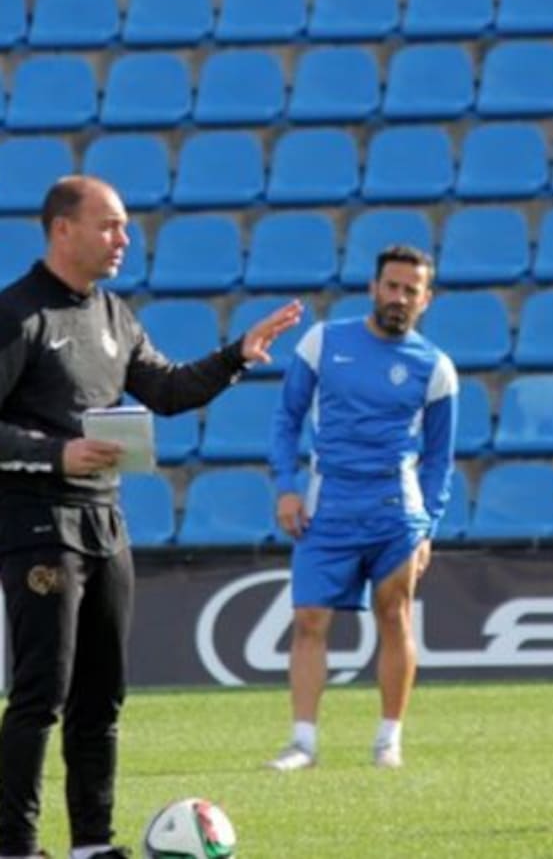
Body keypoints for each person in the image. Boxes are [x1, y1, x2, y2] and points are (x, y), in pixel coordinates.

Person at [0, 175, 302, 859]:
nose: (123, 239)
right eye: (109, 225)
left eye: (125, 226)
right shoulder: (17, 315)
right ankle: (15, 845)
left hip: (105, 522)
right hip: (38, 525)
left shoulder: (114, 315)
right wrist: (56, 453)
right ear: (62, 229)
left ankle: (91, 844)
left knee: (102, 696)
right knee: (41, 694)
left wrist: (235, 356)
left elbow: (165, 389)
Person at [266, 245, 457, 773]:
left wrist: (428, 527)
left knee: (395, 614)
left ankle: (388, 741)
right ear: (374, 288)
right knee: (309, 619)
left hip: (396, 512)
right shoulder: (323, 341)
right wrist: (286, 487)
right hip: (327, 505)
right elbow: (286, 419)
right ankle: (303, 744)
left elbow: (439, 459)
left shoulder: (436, 367)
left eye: (411, 290)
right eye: (391, 286)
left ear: (426, 299)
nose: (399, 297)